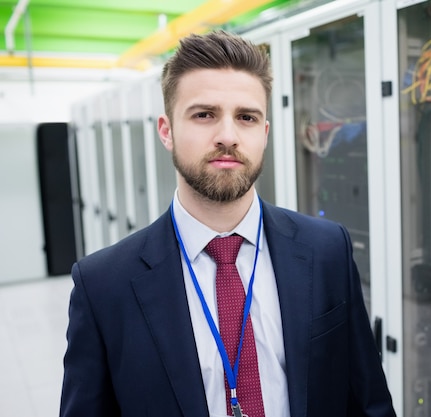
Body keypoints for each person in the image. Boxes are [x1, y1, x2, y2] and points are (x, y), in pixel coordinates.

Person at [60, 30, 396, 417]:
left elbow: (369, 399)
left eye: (246, 117)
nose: (227, 136)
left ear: (264, 134)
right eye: (204, 115)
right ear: (166, 131)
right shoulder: (104, 285)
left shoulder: (326, 249)